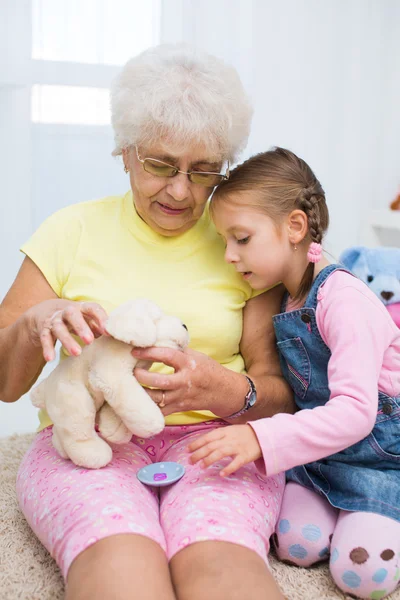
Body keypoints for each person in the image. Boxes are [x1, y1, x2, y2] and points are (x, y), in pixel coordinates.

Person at [0, 45, 294, 600]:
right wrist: (35, 321)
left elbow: (285, 396)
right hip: (87, 438)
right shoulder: (71, 231)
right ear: (125, 152)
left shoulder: (245, 243)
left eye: (204, 170)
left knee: (222, 567)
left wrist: (227, 390)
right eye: (160, 164)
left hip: (216, 439)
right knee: (120, 565)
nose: (181, 191)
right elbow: (4, 383)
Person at [189, 147, 400, 600]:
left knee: (362, 578)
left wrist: (260, 438)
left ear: (295, 227)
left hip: (381, 459)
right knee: (294, 545)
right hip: (319, 457)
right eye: (225, 241)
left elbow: (357, 413)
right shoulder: (285, 298)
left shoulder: (343, 300)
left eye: (240, 239)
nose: (228, 255)